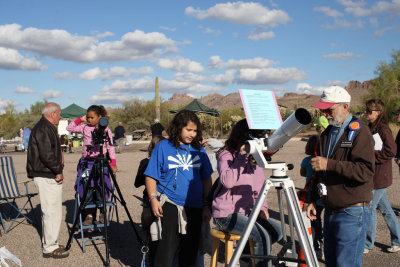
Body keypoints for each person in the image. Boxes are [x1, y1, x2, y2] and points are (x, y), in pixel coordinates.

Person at [306, 85, 375, 267]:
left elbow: (365, 171)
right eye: (322, 110)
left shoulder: (360, 132)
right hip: (330, 211)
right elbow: (319, 171)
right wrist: (312, 199)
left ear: (345, 107)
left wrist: (330, 164)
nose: (325, 114)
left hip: (351, 212)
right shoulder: (327, 133)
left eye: (329, 109)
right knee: (332, 262)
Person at [144, 110, 213, 267]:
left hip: (195, 207)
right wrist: (153, 199)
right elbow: (150, 176)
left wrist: (207, 205)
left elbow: (207, 179)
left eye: (195, 130)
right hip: (169, 204)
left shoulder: (199, 150)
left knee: (189, 252)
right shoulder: (163, 147)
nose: (192, 134)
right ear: (178, 127)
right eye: (189, 130)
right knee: (165, 252)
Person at [212, 119, 282, 267]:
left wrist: (262, 209)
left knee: (277, 231)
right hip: (226, 215)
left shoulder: (254, 159)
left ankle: (246, 259)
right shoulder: (226, 155)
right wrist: (242, 156)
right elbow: (228, 182)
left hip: (246, 213)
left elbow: (259, 187)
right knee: (261, 236)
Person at [26, 102, 69, 258]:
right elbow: (46, 155)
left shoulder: (45, 127)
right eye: (59, 114)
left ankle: (52, 243)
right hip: (46, 174)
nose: (60, 116)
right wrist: (58, 170)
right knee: (51, 212)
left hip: (46, 173)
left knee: (53, 211)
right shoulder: (44, 128)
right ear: (53, 114)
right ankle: (50, 247)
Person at [66, 105, 118, 229]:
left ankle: (102, 212)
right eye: (88, 117)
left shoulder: (106, 130)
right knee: (86, 187)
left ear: (100, 117)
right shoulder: (84, 127)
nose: (89, 119)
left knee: (102, 187)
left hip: (101, 163)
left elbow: (110, 147)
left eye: (91, 117)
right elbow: (69, 127)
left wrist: (113, 162)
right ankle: (88, 215)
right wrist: (81, 119)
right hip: (86, 163)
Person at [363, 99, 400, 254]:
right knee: (386, 210)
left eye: (369, 111)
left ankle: (367, 244)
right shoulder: (372, 127)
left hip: (380, 177)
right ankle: (397, 240)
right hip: (374, 176)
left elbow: (391, 151)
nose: (366, 113)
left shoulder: (383, 129)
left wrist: (371, 155)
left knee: (370, 208)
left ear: (378, 112)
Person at [299, 135, 323, 258]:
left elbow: (302, 173)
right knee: (318, 218)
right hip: (322, 193)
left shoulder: (306, 160)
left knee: (313, 220)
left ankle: (315, 244)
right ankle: (320, 239)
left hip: (310, 193)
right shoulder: (323, 160)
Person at [134, 135, 165, 228]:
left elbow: (137, 183)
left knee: (149, 224)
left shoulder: (144, 162)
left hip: (148, 197)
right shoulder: (167, 163)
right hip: (164, 196)